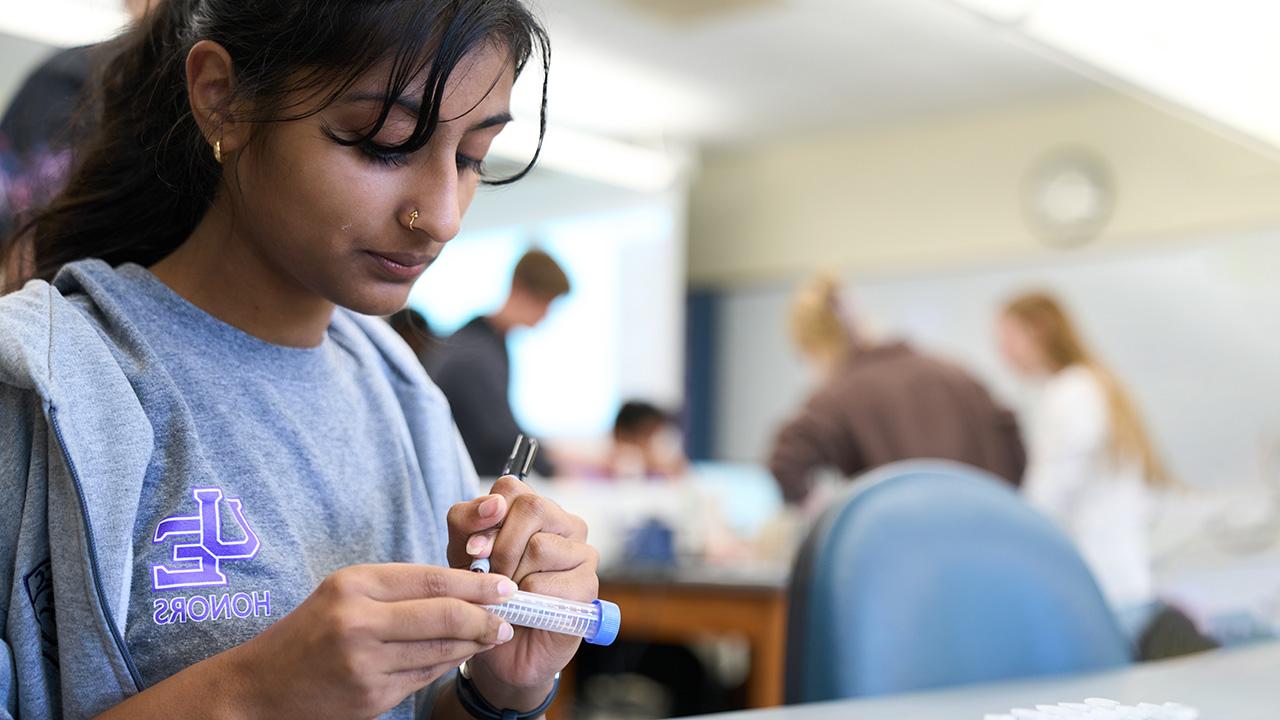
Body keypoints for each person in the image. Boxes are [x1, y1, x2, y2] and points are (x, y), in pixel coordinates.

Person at [0, 2, 600, 719]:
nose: (441, 216)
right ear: (222, 99)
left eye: (472, 157)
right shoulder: (40, 389)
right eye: (383, 141)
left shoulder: (405, 401)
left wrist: (496, 689)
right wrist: (253, 693)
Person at [769, 275, 1026, 505]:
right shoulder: (959, 375)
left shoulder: (839, 395)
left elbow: (784, 463)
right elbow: (1014, 446)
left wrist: (830, 519)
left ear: (816, 349)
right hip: (984, 540)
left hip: (899, 551)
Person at [998, 292, 1166, 612]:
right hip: (1121, 574)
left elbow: (1052, 490)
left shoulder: (1071, 393)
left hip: (1101, 579)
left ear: (1038, 331)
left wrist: (1015, 536)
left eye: (1008, 337)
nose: (1003, 352)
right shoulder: (1094, 386)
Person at [430, 249, 569, 477]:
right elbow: (500, 434)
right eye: (544, 302)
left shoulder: (484, 340)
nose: (546, 314)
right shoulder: (476, 353)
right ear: (518, 287)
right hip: (463, 485)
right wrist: (554, 468)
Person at [606, 401, 688, 479]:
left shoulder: (654, 459)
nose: (650, 442)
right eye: (648, 434)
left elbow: (679, 466)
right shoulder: (608, 458)